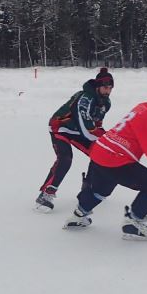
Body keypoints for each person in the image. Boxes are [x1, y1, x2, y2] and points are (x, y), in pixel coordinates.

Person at [63, 82, 147, 240]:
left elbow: (142, 132)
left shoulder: (143, 108)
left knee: (101, 189)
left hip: (100, 151)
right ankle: (133, 222)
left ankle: (79, 215)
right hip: (116, 158)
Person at [35, 67, 114, 212]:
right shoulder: (85, 99)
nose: (107, 91)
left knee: (100, 153)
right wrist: (106, 140)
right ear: (97, 86)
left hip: (78, 131)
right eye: (105, 87)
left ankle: (89, 188)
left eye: (110, 88)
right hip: (61, 128)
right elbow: (86, 129)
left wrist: (108, 140)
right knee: (65, 158)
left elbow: (96, 125)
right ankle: (46, 194)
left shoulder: (106, 103)